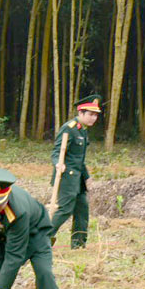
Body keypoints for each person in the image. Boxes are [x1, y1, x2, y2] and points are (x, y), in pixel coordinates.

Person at [50, 94, 101, 249]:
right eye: (90, 114)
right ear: (81, 113)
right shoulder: (69, 128)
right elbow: (57, 151)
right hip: (66, 176)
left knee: (82, 210)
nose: (93, 118)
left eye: (95, 115)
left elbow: (79, 158)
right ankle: (42, 238)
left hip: (77, 178)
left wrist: (87, 176)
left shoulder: (83, 131)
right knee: (65, 209)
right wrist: (58, 164)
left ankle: (78, 245)